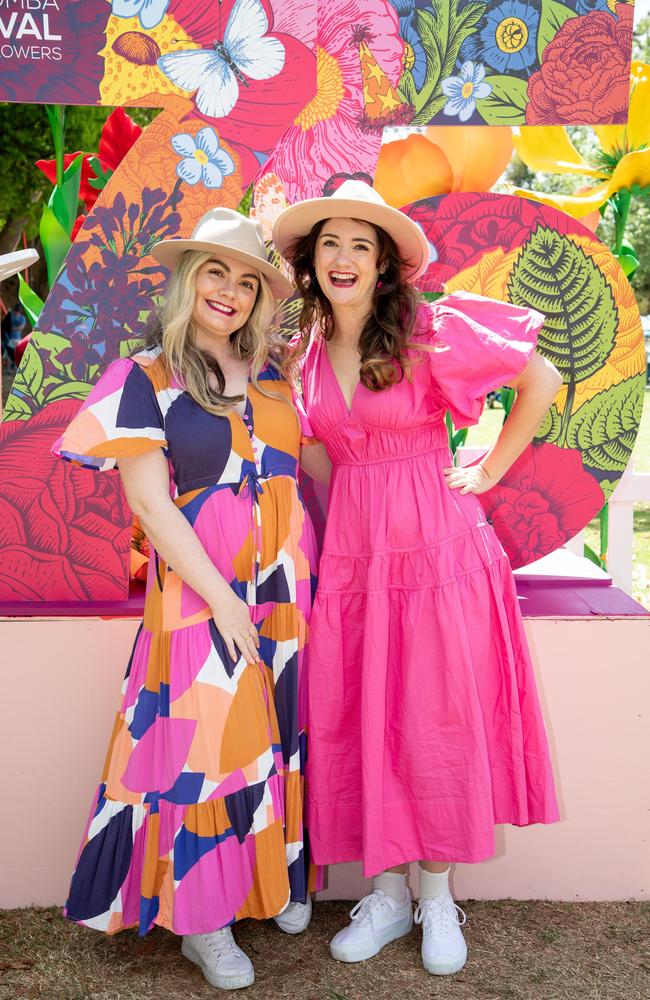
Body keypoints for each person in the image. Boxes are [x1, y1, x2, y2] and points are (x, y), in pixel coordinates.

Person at [272, 181, 562, 977]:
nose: (342, 258)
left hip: (438, 552)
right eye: (329, 243)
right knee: (365, 717)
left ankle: (437, 899)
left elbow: (539, 379)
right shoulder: (298, 352)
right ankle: (389, 897)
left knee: (433, 721)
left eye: (359, 246)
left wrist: (489, 470)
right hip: (357, 559)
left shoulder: (428, 329)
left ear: (383, 265)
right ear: (311, 260)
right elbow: (323, 460)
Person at [52, 208, 320, 991]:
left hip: (283, 594)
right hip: (203, 597)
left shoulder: (271, 375)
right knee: (206, 749)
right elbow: (151, 506)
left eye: (246, 280)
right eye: (215, 273)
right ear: (186, 279)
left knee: (272, 737)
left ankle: (274, 880)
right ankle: (203, 924)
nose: (230, 292)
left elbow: (303, 476)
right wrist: (225, 601)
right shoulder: (145, 377)